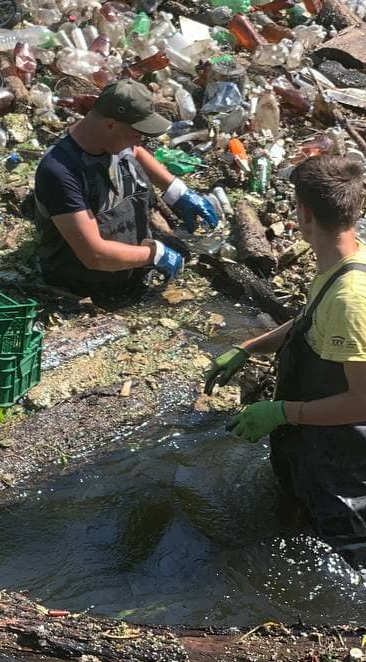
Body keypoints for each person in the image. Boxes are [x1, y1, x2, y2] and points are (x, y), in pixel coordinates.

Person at [207, 155, 366, 559]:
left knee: (342, 567)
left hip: (343, 477)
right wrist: (248, 347)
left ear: (304, 213)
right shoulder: (342, 265)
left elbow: (362, 401)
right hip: (314, 453)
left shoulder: (351, 299)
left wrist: (281, 413)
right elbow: (309, 323)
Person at [33, 78, 218, 297]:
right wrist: (154, 254)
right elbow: (94, 255)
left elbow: (135, 151)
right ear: (110, 125)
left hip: (132, 274)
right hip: (86, 288)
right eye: (136, 135)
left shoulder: (111, 140)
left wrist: (176, 190)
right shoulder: (60, 172)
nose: (139, 143)